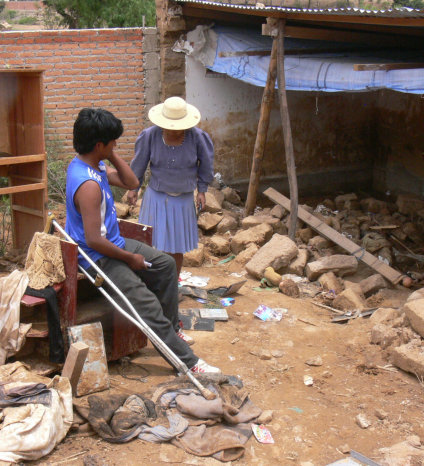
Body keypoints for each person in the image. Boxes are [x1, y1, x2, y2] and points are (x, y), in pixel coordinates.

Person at [65, 107, 221, 374]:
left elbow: (131, 181)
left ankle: (171, 330)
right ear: (98, 144)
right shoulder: (88, 185)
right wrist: (130, 259)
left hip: (113, 242)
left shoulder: (93, 165)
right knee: (146, 304)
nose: (117, 145)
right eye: (113, 142)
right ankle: (188, 363)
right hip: (97, 256)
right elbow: (93, 240)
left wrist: (109, 153)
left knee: (165, 265)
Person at [127, 96, 214, 278]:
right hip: (156, 197)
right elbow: (139, 164)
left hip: (182, 199)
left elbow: (206, 164)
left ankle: (172, 287)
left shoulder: (197, 137)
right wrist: (133, 188)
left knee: (176, 247)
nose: (174, 131)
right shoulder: (150, 135)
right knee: (150, 244)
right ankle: (150, 284)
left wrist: (202, 191)